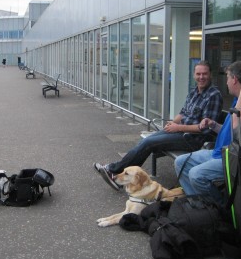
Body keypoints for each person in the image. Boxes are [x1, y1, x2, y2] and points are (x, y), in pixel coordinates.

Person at [94, 60, 223, 190]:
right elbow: (183, 113)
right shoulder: (194, 91)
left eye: (204, 74)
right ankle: (120, 176)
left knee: (149, 143)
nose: (201, 77)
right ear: (194, 75)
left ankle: (114, 171)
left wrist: (178, 127)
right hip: (181, 131)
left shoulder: (213, 95)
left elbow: (205, 129)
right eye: (198, 74)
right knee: (147, 140)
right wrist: (174, 122)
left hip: (193, 139)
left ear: (210, 74)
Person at [174, 61, 241, 204]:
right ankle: (199, 205)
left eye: (227, 78)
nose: (226, 83)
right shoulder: (238, 99)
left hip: (232, 158)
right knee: (180, 162)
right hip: (218, 152)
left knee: (196, 175)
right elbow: (228, 129)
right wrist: (213, 125)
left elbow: (239, 133)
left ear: (235, 79)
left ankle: (219, 211)